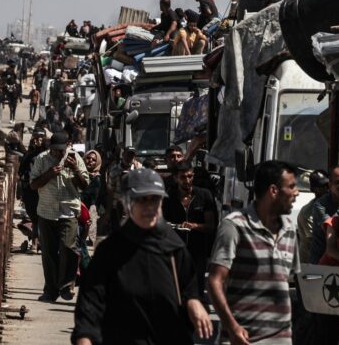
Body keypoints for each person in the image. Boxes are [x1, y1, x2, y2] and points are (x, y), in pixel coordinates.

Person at [72, 168, 213, 345]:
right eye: (142, 200)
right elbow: (90, 303)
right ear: (127, 204)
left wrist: (194, 303)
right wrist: (84, 338)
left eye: (155, 199)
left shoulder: (174, 248)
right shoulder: (110, 251)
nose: (150, 207)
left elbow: (189, 288)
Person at [208, 160, 300, 344]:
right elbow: (214, 281)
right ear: (273, 191)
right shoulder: (234, 226)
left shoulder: (289, 229)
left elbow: (289, 283)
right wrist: (232, 327)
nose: (296, 193)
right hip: (243, 339)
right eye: (291, 187)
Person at [30, 132, 89, 302]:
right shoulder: (41, 159)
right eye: (54, 150)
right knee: (49, 252)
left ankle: (66, 286)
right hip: (47, 211)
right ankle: (50, 290)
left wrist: (75, 169)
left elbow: (84, 185)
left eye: (60, 151)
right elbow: (33, 185)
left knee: (68, 248)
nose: (57, 154)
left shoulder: (75, 158)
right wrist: (48, 174)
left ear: (67, 146)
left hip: (68, 211)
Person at [163, 161, 217, 300]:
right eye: (183, 177)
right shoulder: (168, 198)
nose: (187, 180)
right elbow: (162, 224)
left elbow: (210, 226)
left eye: (190, 176)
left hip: (198, 251)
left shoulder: (204, 195)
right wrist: (173, 226)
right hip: (175, 250)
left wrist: (194, 226)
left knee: (197, 292)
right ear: (175, 178)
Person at [309, 166, 339, 263]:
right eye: (338, 182)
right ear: (330, 185)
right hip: (321, 262)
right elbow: (334, 229)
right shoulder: (320, 205)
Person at [18, 129, 47, 253]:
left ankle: (39, 243)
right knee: (34, 217)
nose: (38, 141)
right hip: (30, 190)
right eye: (36, 139)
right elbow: (21, 171)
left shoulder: (47, 155)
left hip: (43, 189)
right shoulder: (29, 154)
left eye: (41, 139)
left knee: (42, 217)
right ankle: (35, 243)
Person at [297, 169, 330, 262]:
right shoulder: (307, 213)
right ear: (313, 189)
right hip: (310, 263)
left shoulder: (332, 205)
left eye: (328, 185)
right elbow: (316, 242)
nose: (327, 189)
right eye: (322, 186)